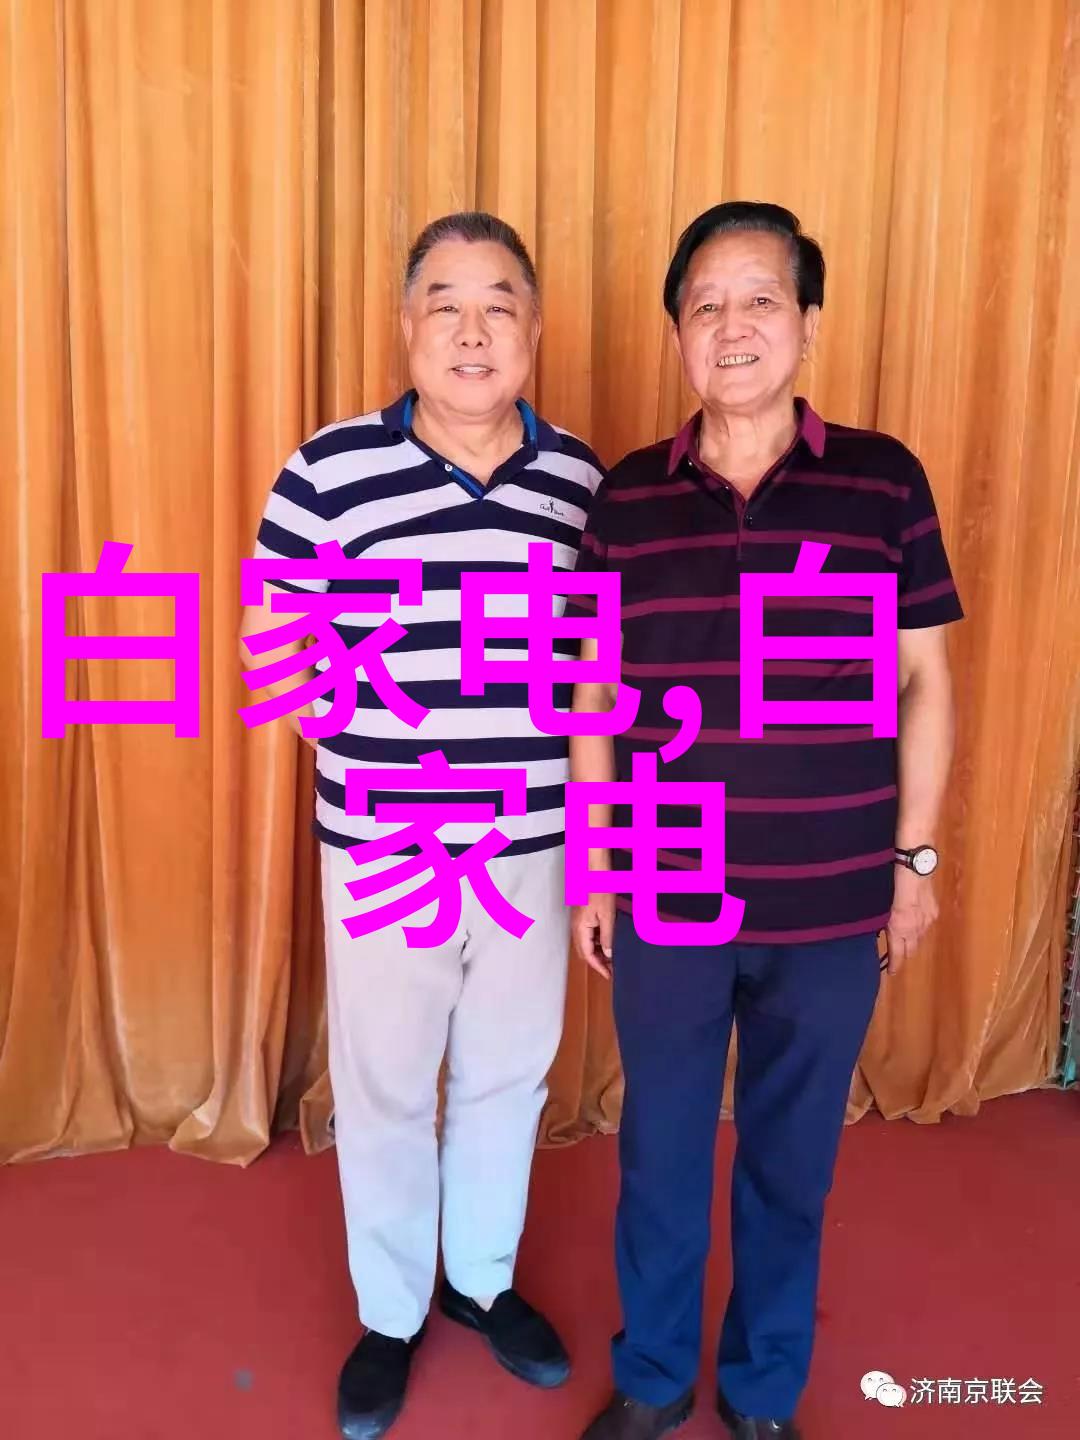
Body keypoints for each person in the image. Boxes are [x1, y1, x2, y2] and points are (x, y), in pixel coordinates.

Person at [571, 202, 962, 1440]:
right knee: (661, 1157)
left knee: (793, 1163)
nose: (731, 326)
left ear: (806, 322)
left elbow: (926, 680)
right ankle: (653, 1380)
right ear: (678, 335)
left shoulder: (883, 481)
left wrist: (914, 861)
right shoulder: (626, 499)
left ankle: (764, 1389)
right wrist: (596, 868)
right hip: (669, 886)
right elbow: (592, 695)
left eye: (759, 300)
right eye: (705, 305)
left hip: (835, 896)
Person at [242, 212, 604, 1439]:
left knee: (508, 1075)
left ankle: (480, 1280)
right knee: (387, 1087)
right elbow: (271, 648)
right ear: (406, 327)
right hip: (389, 846)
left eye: (499, 304)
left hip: (534, 846)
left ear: (535, 328)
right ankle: (391, 1310)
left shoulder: (581, 481)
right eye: (444, 304)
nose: (471, 330)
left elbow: (599, 670)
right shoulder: (327, 472)